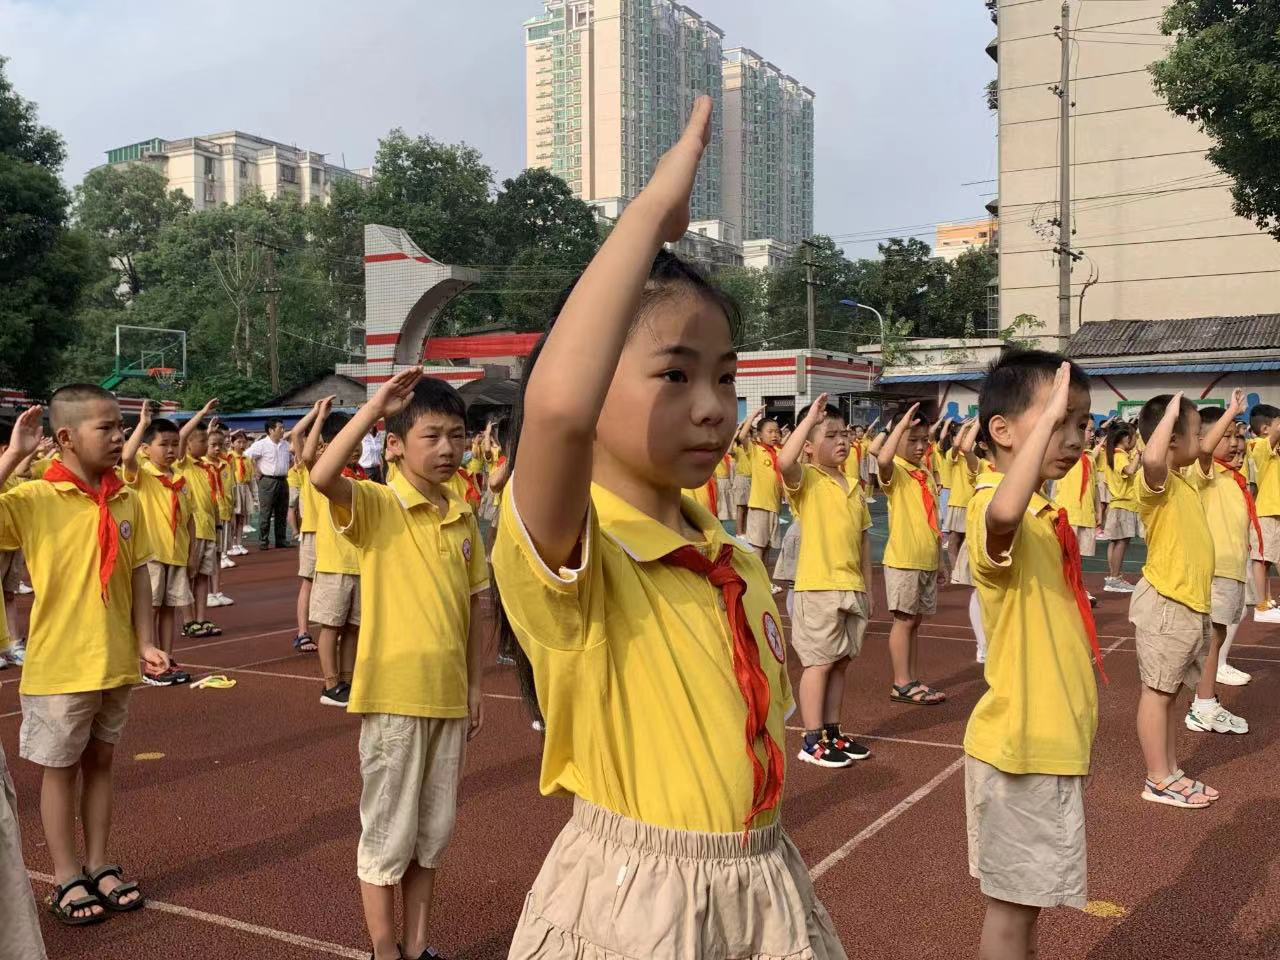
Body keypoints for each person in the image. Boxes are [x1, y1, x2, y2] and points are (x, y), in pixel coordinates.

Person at [491, 98, 844, 959]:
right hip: (637, 900)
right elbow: (559, 411)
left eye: (726, 379)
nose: (712, 408)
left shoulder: (727, 555)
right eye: (674, 375)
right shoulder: (580, 559)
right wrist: (650, 216)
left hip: (761, 874)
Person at [310, 371, 487, 960]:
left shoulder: (462, 515)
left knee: (432, 839)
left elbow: (472, 605)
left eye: (456, 436)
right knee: (388, 836)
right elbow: (322, 474)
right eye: (431, 436)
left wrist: (476, 686)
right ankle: (385, 950)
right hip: (393, 698)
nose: (447, 449)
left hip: (448, 698)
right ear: (397, 444)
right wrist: (374, 407)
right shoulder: (379, 505)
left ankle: (417, 946)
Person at [0, 394, 168, 928]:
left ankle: (99, 862)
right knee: (60, 769)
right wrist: (12, 455)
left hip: (115, 660)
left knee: (101, 762)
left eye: (121, 427)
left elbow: (139, 574)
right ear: (67, 438)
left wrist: (144, 642)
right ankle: (67, 874)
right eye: (107, 428)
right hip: (60, 665)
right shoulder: (34, 498)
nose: (120, 437)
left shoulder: (126, 499)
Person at [963, 352, 1103, 960]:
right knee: (1013, 908)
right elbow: (1000, 516)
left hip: (1048, 741)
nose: (1074, 437)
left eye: (1080, 423)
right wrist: (1045, 425)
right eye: (1058, 420)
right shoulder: (993, 504)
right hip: (1022, 745)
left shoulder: (1047, 517)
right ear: (1003, 431)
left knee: (1028, 904)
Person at [1129, 393, 1219, 808]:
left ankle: (1170, 770)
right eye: (1195, 432)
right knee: (1158, 693)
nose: (1202, 440)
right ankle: (1158, 778)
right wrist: (1167, 416)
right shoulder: (1156, 481)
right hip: (1168, 601)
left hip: (1187, 603)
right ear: (1169, 440)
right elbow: (1150, 461)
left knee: (1170, 694)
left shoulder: (1183, 479)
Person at [779, 393, 872, 768]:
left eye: (845, 434)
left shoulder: (854, 487)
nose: (843, 441)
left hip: (851, 587)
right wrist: (809, 419)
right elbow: (784, 460)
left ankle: (833, 730)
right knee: (818, 662)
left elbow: (864, 543)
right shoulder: (808, 481)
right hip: (818, 587)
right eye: (831, 435)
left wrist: (866, 587)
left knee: (840, 662)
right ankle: (811, 737)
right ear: (810, 447)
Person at [1177, 400, 1249, 735]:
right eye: (1227, 436)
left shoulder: (1234, 477)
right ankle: (1202, 705)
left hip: (1232, 568)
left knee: (1216, 637)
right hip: (1216, 568)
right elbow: (1205, 449)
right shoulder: (1203, 472)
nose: (1234, 442)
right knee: (1207, 640)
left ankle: (1205, 702)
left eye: (1238, 435)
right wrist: (1230, 413)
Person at [872, 404, 946, 705]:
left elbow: (934, 519)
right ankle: (901, 683)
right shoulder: (897, 471)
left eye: (923, 441)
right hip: (904, 559)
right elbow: (884, 456)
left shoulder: (923, 471)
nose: (919, 447)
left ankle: (912, 679)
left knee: (915, 622)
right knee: (903, 620)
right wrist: (898, 426)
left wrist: (940, 559)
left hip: (926, 556)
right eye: (911, 439)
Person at [124, 407, 196, 686]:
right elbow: (126, 456)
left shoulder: (181, 479)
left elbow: (187, 519)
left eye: (174, 444)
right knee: (149, 609)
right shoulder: (142, 475)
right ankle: (147, 661)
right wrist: (143, 424)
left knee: (170, 609)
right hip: (152, 554)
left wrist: (191, 553)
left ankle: (167, 658)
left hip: (176, 554)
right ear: (146, 449)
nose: (170, 450)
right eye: (163, 444)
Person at [301, 397, 364, 706]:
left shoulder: (364, 476)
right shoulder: (328, 473)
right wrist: (319, 419)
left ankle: (349, 680)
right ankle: (330, 683)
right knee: (332, 626)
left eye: (358, 440)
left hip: (360, 564)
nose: (355, 447)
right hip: (334, 564)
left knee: (354, 626)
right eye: (346, 441)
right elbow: (308, 454)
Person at [177, 406, 224, 637]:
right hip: (190, 529)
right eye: (202, 440)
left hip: (207, 529)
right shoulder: (182, 464)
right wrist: (202, 412)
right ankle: (188, 621)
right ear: (187, 445)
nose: (206, 445)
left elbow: (211, 500)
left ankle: (201, 618)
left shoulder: (205, 467)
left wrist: (217, 524)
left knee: (204, 575)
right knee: (188, 574)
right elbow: (183, 434)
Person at [288, 404, 324, 655]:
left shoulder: (340, 469)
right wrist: (318, 414)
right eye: (316, 444)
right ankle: (303, 632)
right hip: (313, 531)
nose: (319, 449)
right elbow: (296, 434)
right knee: (309, 582)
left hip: (337, 533)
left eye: (322, 444)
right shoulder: (306, 467)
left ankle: (334, 631)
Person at [734, 406, 785, 561]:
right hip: (759, 505)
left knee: (769, 544)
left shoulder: (778, 451)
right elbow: (742, 437)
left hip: (774, 506)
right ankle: (759, 580)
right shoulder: (755, 450)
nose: (774, 435)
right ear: (759, 434)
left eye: (777, 432)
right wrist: (752, 417)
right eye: (770, 432)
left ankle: (766, 581)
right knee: (758, 545)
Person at [1245, 404, 1280, 622]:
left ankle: (1266, 599)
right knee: (1261, 559)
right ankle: (1261, 603)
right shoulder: (1256, 444)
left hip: (1274, 509)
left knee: (1270, 558)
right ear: (1266, 428)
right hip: (1266, 510)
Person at [1102, 424, 1140, 592]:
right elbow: (1130, 470)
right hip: (1124, 503)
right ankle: (1115, 578)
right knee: (1121, 542)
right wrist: (1138, 455)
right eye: (1134, 437)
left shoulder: (1113, 455)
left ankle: (1112, 576)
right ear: (1126, 439)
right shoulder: (1120, 456)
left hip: (1117, 503)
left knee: (1115, 541)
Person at [246, 417, 291, 550]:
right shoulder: (261, 444)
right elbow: (246, 456)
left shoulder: (286, 445)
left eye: (283, 428)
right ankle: (263, 541)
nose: (283, 430)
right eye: (280, 428)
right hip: (267, 480)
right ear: (271, 430)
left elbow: (292, 458)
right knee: (266, 512)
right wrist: (255, 470)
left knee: (282, 512)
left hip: (283, 480)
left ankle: (281, 540)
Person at [227, 430, 253, 556]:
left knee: (242, 518)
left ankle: (239, 543)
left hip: (244, 488)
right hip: (233, 488)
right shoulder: (229, 457)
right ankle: (231, 544)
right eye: (238, 442)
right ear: (232, 444)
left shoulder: (247, 459)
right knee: (233, 519)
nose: (242, 445)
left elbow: (250, 476)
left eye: (244, 442)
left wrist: (252, 494)